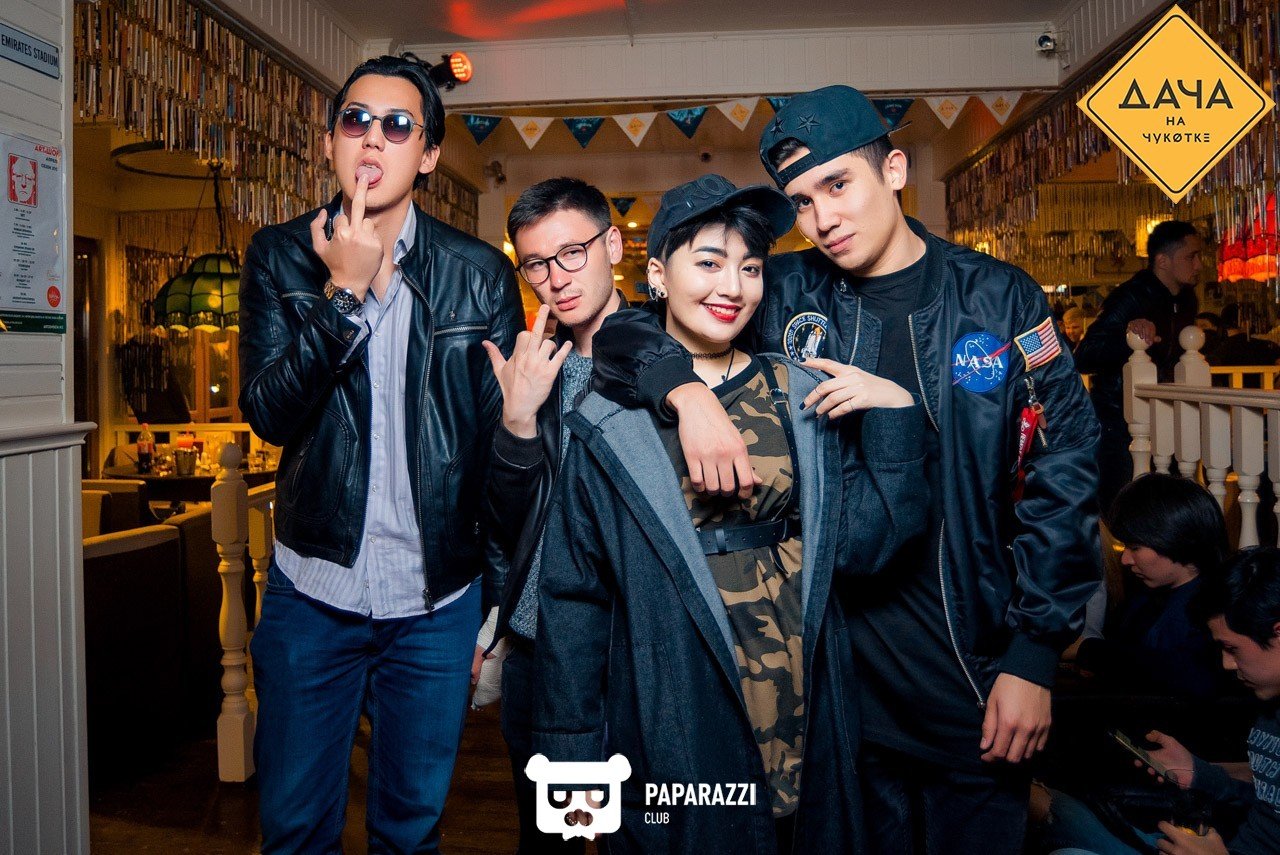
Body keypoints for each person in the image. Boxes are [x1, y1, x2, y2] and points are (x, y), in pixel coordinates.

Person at [590, 85, 1101, 854]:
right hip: (832, 688)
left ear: (893, 170)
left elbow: (1068, 472)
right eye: (802, 200)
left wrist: (1034, 655)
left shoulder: (996, 300)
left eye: (837, 184)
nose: (822, 216)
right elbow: (631, 326)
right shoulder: (784, 290)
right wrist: (683, 389)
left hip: (970, 673)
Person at [532, 175, 929, 853]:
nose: (733, 287)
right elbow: (573, 599)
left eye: (749, 268)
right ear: (658, 274)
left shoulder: (799, 394)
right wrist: (573, 780)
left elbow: (865, 548)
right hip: (673, 706)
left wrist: (896, 415)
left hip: (801, 699)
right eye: (709, 263)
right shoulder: (609, 418)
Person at [237, 54, 523, 852]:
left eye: (399, 126)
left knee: (410, 831)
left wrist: (495, 609)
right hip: (311, 593)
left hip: (436, 605)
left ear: (428, 155)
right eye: (355, 120)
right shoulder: (279, 254)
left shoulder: (479, 274)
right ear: (329, 141)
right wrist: (342, 295)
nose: (373, 138)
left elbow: (501, 454)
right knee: (295, 830)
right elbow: (269, 414)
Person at [480, 177, 627, 855]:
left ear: (613, 245)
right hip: (538, 649)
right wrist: (517, 419)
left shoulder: (668, 357)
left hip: (629, 650)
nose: (556, 278)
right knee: (547, 840)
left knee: (643, 834)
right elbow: (508, 525)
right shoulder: (528, 365)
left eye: (572, 253)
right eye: (536, 263)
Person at [1038, 547, 1280, 855]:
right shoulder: (1269, 702)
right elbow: (1266, 794)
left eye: (1232, 649)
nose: (1227, 663)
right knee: (1046, 807)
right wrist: (1198, 772)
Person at [1073, 221, 1202, 510]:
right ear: (1162, 260)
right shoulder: (1132, 295)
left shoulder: (1187, 299)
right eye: (1191, 256)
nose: (1198, 264)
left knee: (1167, 502)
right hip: (1118, 420)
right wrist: (1128, 337)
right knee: (1122, 502)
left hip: (1165, 415)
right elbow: (1085, 356)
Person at [1076, 473, 1229, 699]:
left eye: (1135, 547)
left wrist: (1089, 651)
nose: (1125, 559)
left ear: (1174, 537)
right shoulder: (1146, 598)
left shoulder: (1216, 608)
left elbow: (1184, 674)